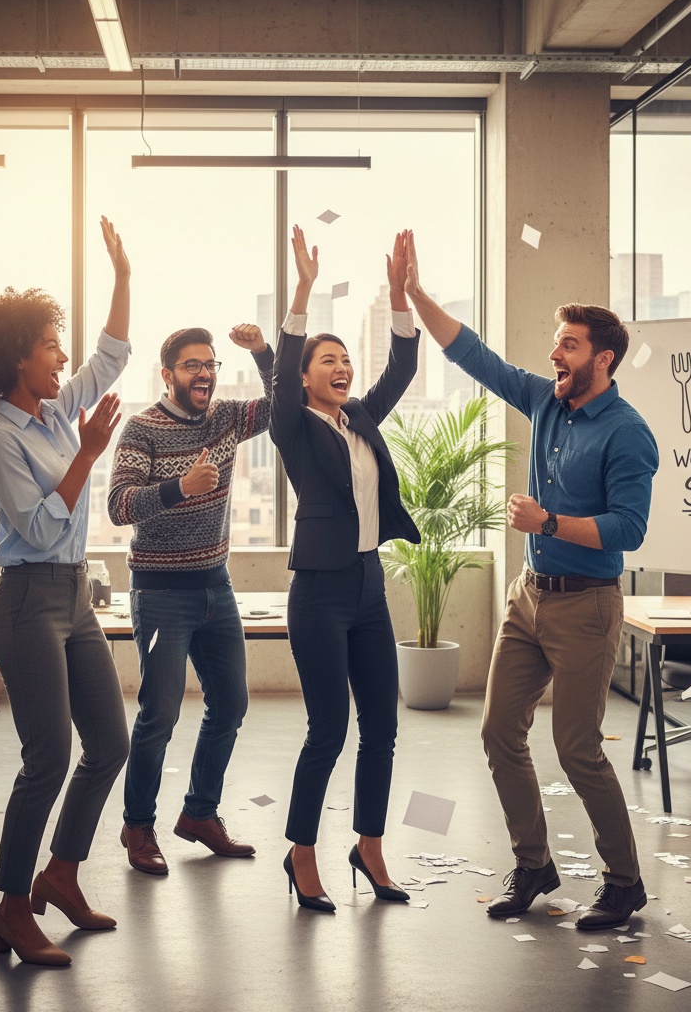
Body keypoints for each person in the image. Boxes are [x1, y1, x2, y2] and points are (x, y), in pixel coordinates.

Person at [403, 231, 658, 930]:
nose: (556, 354)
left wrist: (549, 521)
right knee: (497, 733)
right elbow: (472, 353)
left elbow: (628, 531)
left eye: (570, 344)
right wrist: (415, 293)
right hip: (529, 598)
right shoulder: (546, 400)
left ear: (603, 358)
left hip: (587, 607)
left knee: (575, 747)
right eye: (556, 342)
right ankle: (534, 864)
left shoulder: (628, 433)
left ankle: (625, 880)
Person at [0, 218, 131, 966]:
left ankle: (61, 874)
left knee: (109, 744)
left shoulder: (55, 407)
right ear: (15, 359)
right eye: (50, 345)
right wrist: (89, 456)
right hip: (26, 601)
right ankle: (10, 907)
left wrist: (122, 274)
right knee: (47, 757)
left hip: (73, 599)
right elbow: (38, 519)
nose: (63, 356)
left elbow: (110, 357)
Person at [269, 225, 419, 912]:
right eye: (325, 358)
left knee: (381, 729)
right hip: (319, 594)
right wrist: (302, 290)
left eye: (342, 359)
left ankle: (371, 847)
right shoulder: (292, 425)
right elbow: (282, 370)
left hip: (368, 585)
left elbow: (403, 370)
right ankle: (301, 855)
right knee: (328, 730)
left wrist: (399, 298)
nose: (340, 366)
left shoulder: (360, 419)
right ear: (303, 375)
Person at [107, 318, 274, 873]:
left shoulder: (225, 417)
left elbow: (280, 407)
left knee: (230, 704)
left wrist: (263, 351)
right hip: (159, 593)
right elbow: (119, 505)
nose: (204, 374)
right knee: (159, 714)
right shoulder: (142, 429)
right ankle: (138, 829)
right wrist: (182, 487)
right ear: (168, 374)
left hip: (215, 586)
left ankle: (200, 814)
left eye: (210, 364)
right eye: (192, 366)